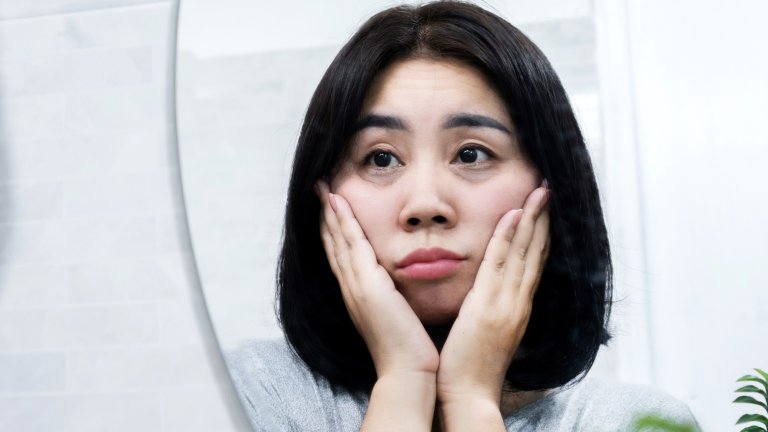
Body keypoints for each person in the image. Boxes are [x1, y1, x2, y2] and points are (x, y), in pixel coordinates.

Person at [227, 1, 699, 430]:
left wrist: (471, 399)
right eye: (381, 158)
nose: (426, 204)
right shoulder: (250, 394)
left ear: (550, 186)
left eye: (472, 154)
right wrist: (404, 380)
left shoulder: (633, 422)